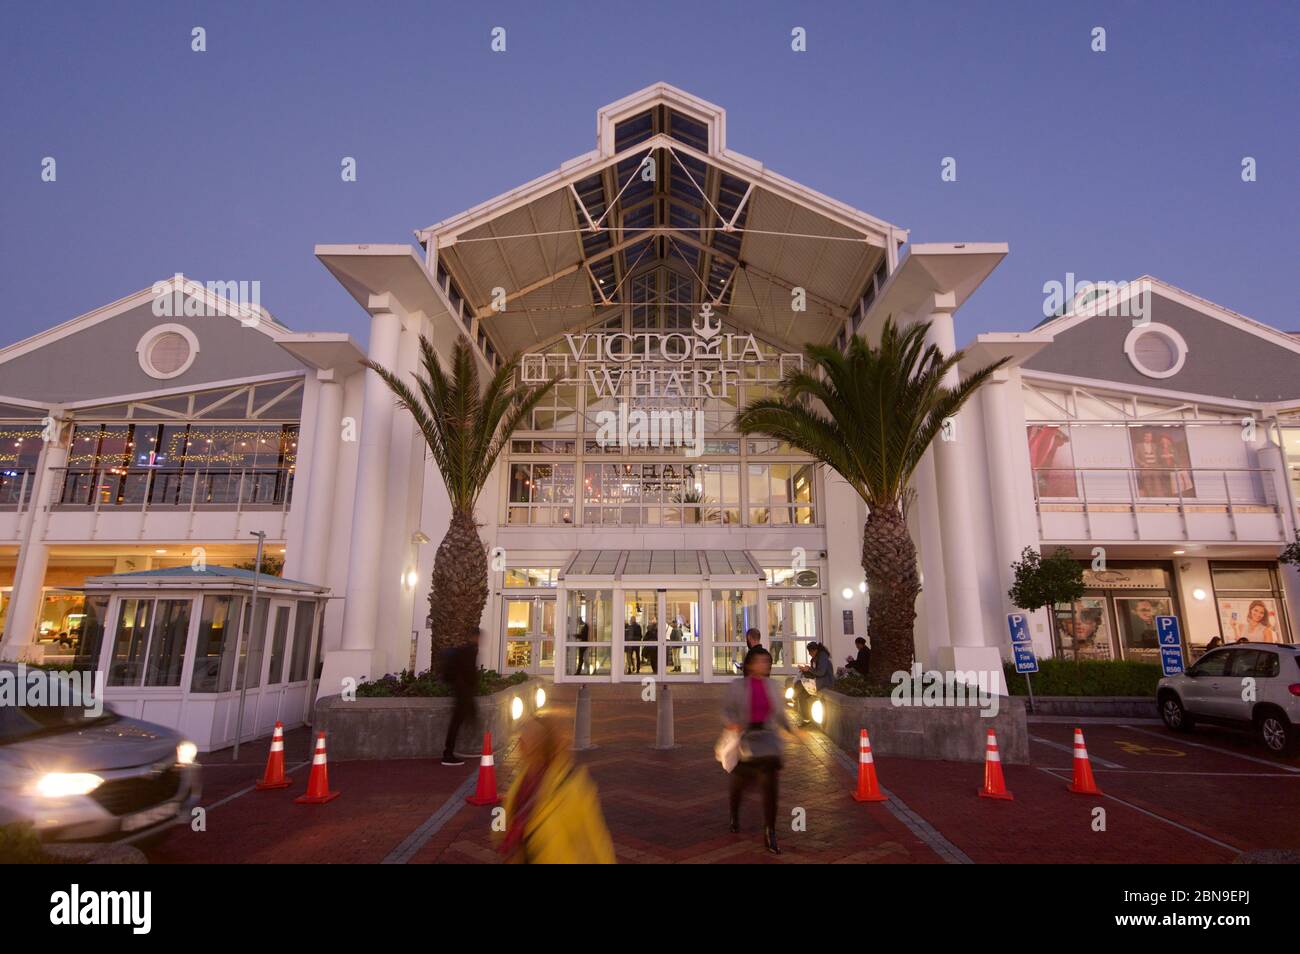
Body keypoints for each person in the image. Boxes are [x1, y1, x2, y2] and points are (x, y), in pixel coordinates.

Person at [497, 715, 616, 864]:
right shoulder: (523, 776)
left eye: (528, 734)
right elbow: (506, 816)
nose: (521, 737)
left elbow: (597, 839)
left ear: (540, 744)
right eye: (523, 731)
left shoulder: (572, 785)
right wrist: (499, 833)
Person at [722, 647, 791, 854]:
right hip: (745, 739)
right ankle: (734, 814)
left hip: (767, 739)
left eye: (767, 662)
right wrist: (732, 724)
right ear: (750, 664)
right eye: (760, 661)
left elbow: (780, 714)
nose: (764, 665)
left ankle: (770, 830)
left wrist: (793, 731)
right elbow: (726, 710)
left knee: (770, 783)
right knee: (739, 783)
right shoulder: (738, 686)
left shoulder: (772, 686)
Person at [441, 629, 480, 766]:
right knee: (458, 721)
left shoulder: (466, 649)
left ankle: (451, 751)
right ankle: (448, 753)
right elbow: (469, 672)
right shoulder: (469, 650)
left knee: (464, 718)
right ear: (475, 637)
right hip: (463, 691)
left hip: (462, 690)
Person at [791, 641, 833, 725]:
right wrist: (804, 670)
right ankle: (806, 719)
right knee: (801, 696)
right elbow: (814, 672)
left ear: (815, 650)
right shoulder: (814, 659)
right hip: (816, 680)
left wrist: (809, 669)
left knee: (799, 684)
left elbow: (821, 672)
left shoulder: (822, 657)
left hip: (824, 681)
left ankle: (793, 698)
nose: (809, 654)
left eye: (810, 652)